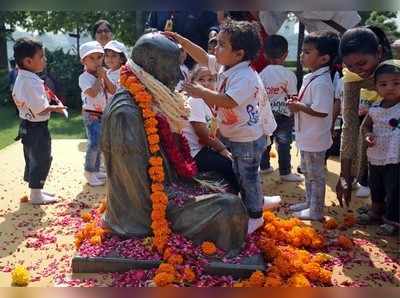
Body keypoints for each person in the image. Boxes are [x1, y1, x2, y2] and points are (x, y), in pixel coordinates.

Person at [164, 20, 281, 234]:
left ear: (239, 54)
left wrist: (200, 92)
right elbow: (202, 56)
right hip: (233, 134)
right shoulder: (227, 66)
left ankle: (256, 215)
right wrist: (181, 40)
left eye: (221, 45)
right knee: (238, 173)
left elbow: (228, 100)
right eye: (216, 43)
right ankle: (255, 201)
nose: (215, 49)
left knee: (248, 176)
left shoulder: (246, 76)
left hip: (247, 138)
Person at [336, 26, 393, 209]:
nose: (357, 71)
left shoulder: (394, 72)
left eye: (362, 64)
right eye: (350, 66)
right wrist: (344, 174)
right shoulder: (352, 78)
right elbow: (350, 125)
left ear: (379, 53)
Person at [287, 31, 339, 221]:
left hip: (315, 137)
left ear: (324, 58)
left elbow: (323, 110)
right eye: (302, 51)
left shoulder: (322, 82)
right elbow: (310, 103)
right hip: (307, 135)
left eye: (307, 52)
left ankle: (316, 210)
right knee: (308, 172)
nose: (302, 55)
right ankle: (310, 203)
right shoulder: (314, 77)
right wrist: (298, 102)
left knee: (316, 176)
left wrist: (299, 106)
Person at [12, 37, 66, 204]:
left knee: (31, 157)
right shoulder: (31, 82)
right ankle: (36, 194)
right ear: (28, 61)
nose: (45, 59)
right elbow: (39, 108)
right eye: (41, 56)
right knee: (41, 157)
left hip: (27, 125)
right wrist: (56, 108)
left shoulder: (23, 77)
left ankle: (36, 190)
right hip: (37, 127)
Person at [181, 65, 240, 194]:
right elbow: (202, 132)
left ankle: (245, 197)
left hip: (204, 149)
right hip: (193, 153)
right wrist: (222, 149)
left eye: (211, 79)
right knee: (230, 164)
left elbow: (215, 132)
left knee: (239, 157)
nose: (206, 83)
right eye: (201, 80)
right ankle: (242, 200)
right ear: (193, 82)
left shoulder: (211, 102)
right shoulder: (195, 101)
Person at [361, 60, 400, 236]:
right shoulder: (375, 107)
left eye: (396, 83)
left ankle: (392, 219)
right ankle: (377, 212)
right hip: (376, 154)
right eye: (383, 84)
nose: (390, 88)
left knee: (394, 189)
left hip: (395, 157)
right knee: (376, 186)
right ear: (376, 87)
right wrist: (368, 135)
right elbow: (366, 126)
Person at [258, 34, 303, 182]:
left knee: (265, 142)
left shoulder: (260, 75)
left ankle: (264, 167)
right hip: (284, 116)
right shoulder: (289, 75)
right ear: (285, 55)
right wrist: (293, 115)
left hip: (265, 115)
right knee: (284, 144)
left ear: (264, 55)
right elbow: (292, 98)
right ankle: (285, 172)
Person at [79, 41, 114, 186]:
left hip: (104, 113)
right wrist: (100, 78)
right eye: (91, 58)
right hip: (91, 114)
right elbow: (93, 93)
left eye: (99, 57)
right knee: (94, 143)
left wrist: (105, 77)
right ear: (83, 61)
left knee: (100, 143)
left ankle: (96, 169)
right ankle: (89, 171)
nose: (97, 61)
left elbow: (113, 90)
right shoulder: (84, 78)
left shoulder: (104, 75)